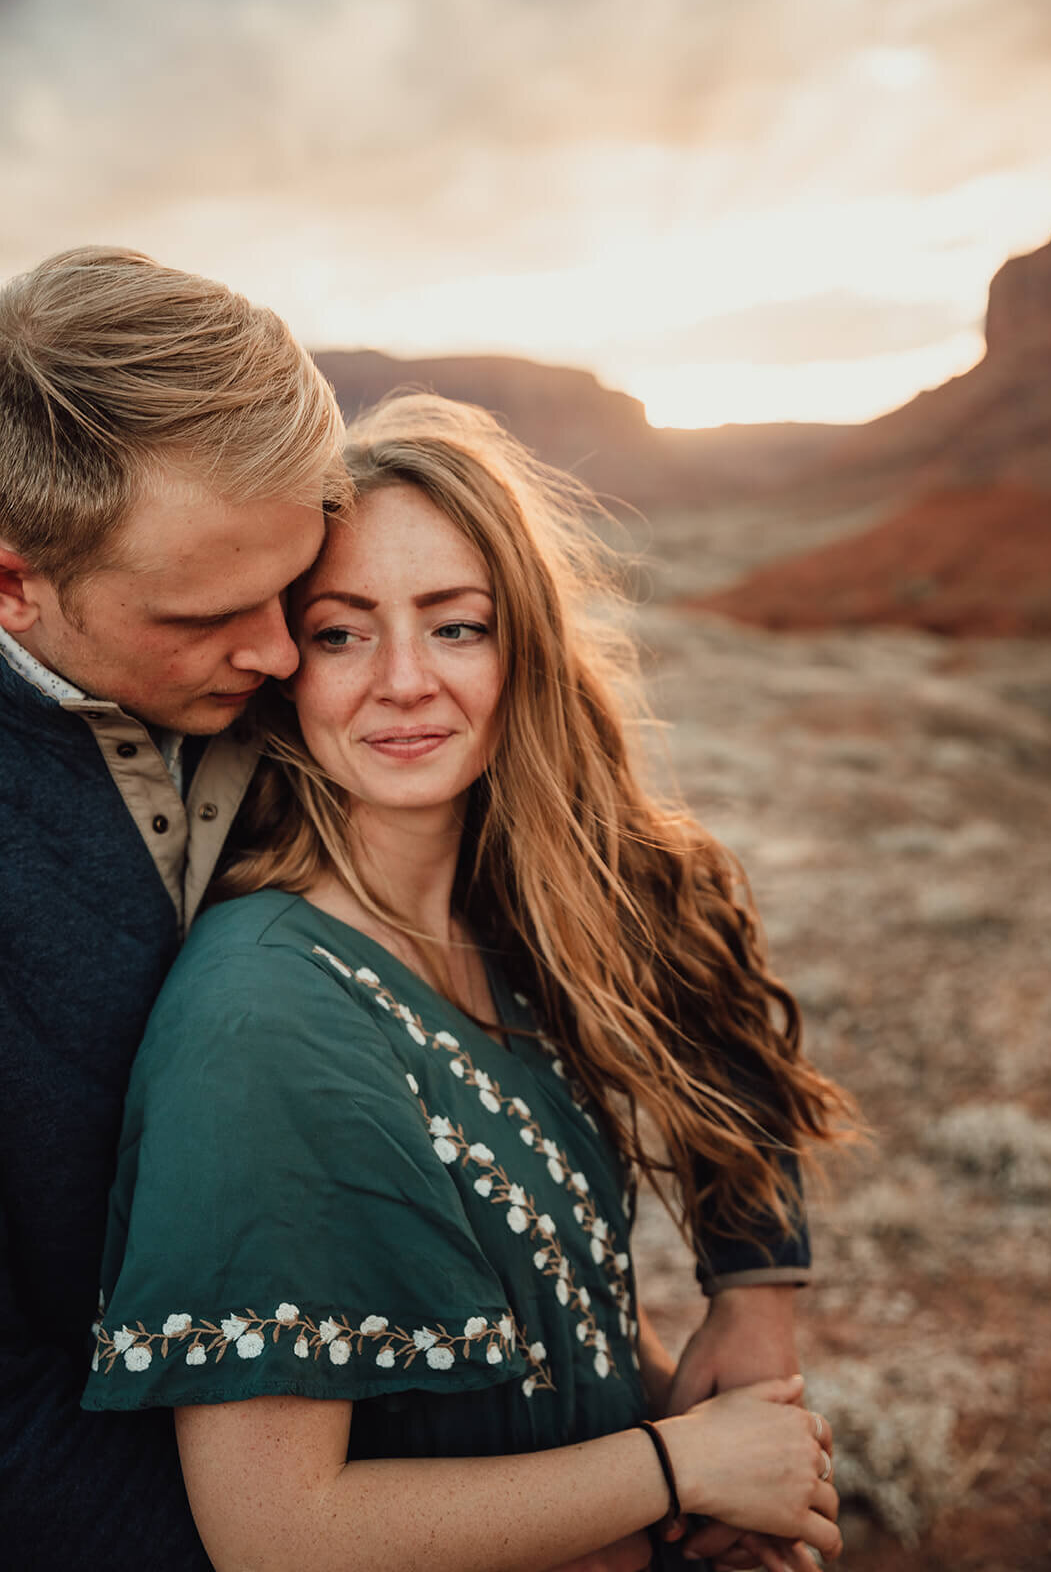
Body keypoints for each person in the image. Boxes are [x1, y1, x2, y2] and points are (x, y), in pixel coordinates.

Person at [84, 394, 852, 1572]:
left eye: (455, 626)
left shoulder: (512, 926)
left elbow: (703, 1033)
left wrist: (742, 1324)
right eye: (341, 632)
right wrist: (681, 1467)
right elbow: (276, 1534)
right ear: (285, 663)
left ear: (522, 649)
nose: (401, 680)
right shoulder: (264, 1016)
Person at [0, 245, 348, 1571]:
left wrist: (753, 1282)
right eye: (206, 615)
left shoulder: (338, 671)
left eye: (293, 587)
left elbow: (619, 910)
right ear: (13, 584)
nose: (277, 654)